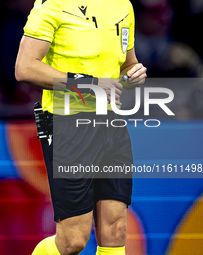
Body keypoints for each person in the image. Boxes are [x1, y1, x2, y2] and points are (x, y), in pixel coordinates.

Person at [15, 0, 147, 254]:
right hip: (68, 125)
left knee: (116, 230)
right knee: (73, 241)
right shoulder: (52, 4)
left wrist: (134, 73)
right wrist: (90, 84)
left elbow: (127, 63)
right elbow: (25, 67)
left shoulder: (123, 6)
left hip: (111, 122)